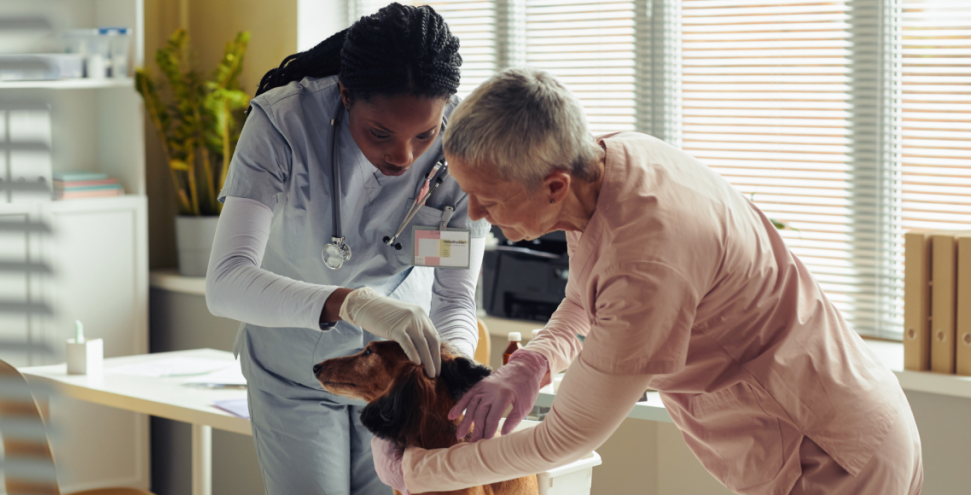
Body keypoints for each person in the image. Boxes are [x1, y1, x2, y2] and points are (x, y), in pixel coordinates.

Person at [371, 68, 923, 495]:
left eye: (487, 200)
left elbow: (568, 437)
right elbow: (585, 297)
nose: (472, 215)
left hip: (829, 451)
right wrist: (531, 365)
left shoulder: (649, 263)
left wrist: (425, 471)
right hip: (823, 418)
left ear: (554, 186)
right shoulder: (613, 160)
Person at [204, 4, 489, 494]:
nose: (403, 156)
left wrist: (449, 373)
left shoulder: (463, 147)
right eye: (380, 133)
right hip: (293, 372)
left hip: (398, 388)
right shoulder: (282, 124)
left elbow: (454, 298)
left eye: (424, 135)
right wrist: (352, 302)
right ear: (345, 93)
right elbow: (226, 281)